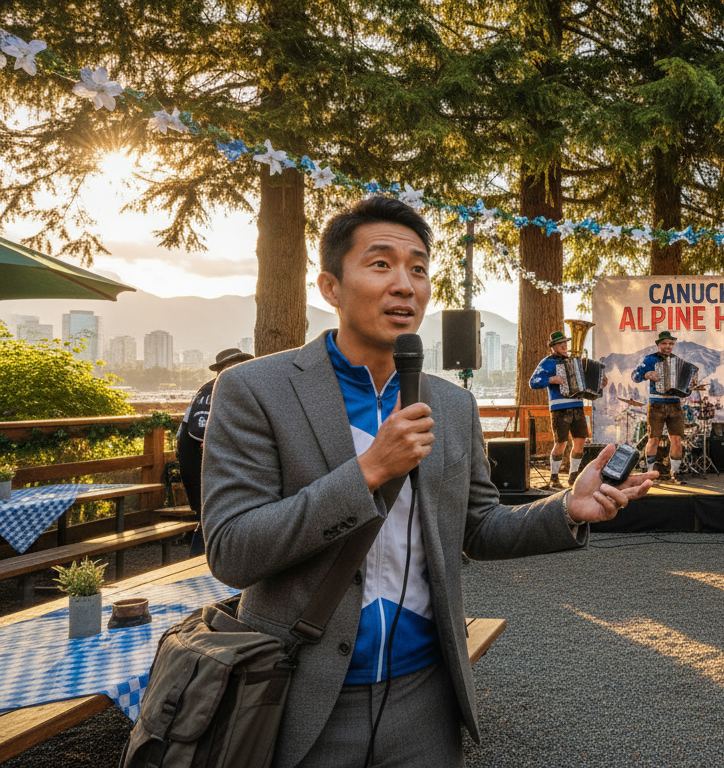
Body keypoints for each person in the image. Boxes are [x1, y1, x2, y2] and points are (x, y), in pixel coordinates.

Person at [201, 196, 655, 768]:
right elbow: (233, 551)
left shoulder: (453, 405)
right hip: (297, 690)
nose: (404, 284)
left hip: (425, 697)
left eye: (418, 269)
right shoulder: (255, 390)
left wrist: (567, 507)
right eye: (380, 264)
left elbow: (479, 528)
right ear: (330, 287)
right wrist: (370, 471)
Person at [176, 347, 253, 556]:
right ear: (222, 369)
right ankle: (199, 565)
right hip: (201, 465)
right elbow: (203, 435)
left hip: (204, 464)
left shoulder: (218, 387)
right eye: (234, 365)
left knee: (212, 517)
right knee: (209, 517)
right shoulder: (215, 390)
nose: (240, 368)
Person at [528, 330, 606, 489]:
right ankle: (554, 477)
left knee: (580, 441)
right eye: (560, 344)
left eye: (565, 343)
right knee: (561, 442)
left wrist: (599, 384)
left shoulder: (575, 361)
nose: (564, 346)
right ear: (553, 347)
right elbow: (533, 382)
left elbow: (586, 384)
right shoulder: (547, 362)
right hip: (559, 407)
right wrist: (551, 379)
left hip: (577, 406)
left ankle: (573, 476)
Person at [631, 330, 687, 484]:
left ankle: (674, 473)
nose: (668, 346)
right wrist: (646, 374)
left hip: (674, 404)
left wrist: (689, 385)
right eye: (664, 343)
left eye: (670, 343)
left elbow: (685, 386)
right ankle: (649, 473)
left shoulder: (677, 361)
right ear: (658, 345)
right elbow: (635, 376)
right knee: (653, 438)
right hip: (656, 403)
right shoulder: (650, 359)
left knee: (676, 439)